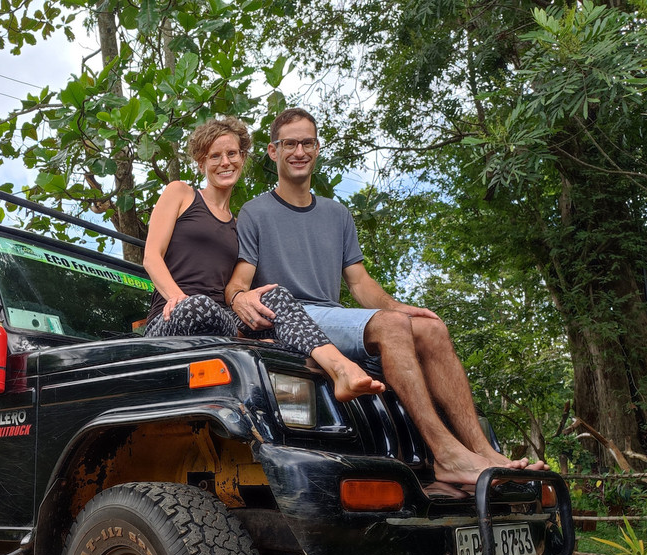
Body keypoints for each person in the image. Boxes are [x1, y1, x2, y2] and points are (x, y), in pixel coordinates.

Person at [226, 107, 545, 487]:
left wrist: (398, 308)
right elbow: (239, 281)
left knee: (431, 330)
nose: (299, 151)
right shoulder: (254, 212)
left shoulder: (337, 214)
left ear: (317, 148)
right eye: (289, 143)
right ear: (273, 151)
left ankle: (485, 453)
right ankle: (446, 456)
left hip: (333, 316)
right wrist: (238, 298)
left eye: (307, 143)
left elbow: (359, 283)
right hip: (296, 318)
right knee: (392, 327)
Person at [143, 116, 385, 402]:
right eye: (215, 156)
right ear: (201, 162)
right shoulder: (181, 193)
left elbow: (237, 287)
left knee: (275, 295)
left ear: (242, 157)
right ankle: (251, 342)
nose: (225, 162)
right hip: (172, 318)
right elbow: (151, 257)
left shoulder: (239, 223)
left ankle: (341, 368)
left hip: (221, 323)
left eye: (232, 153)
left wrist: (253, 305)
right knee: (199, 305)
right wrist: (176, 297)